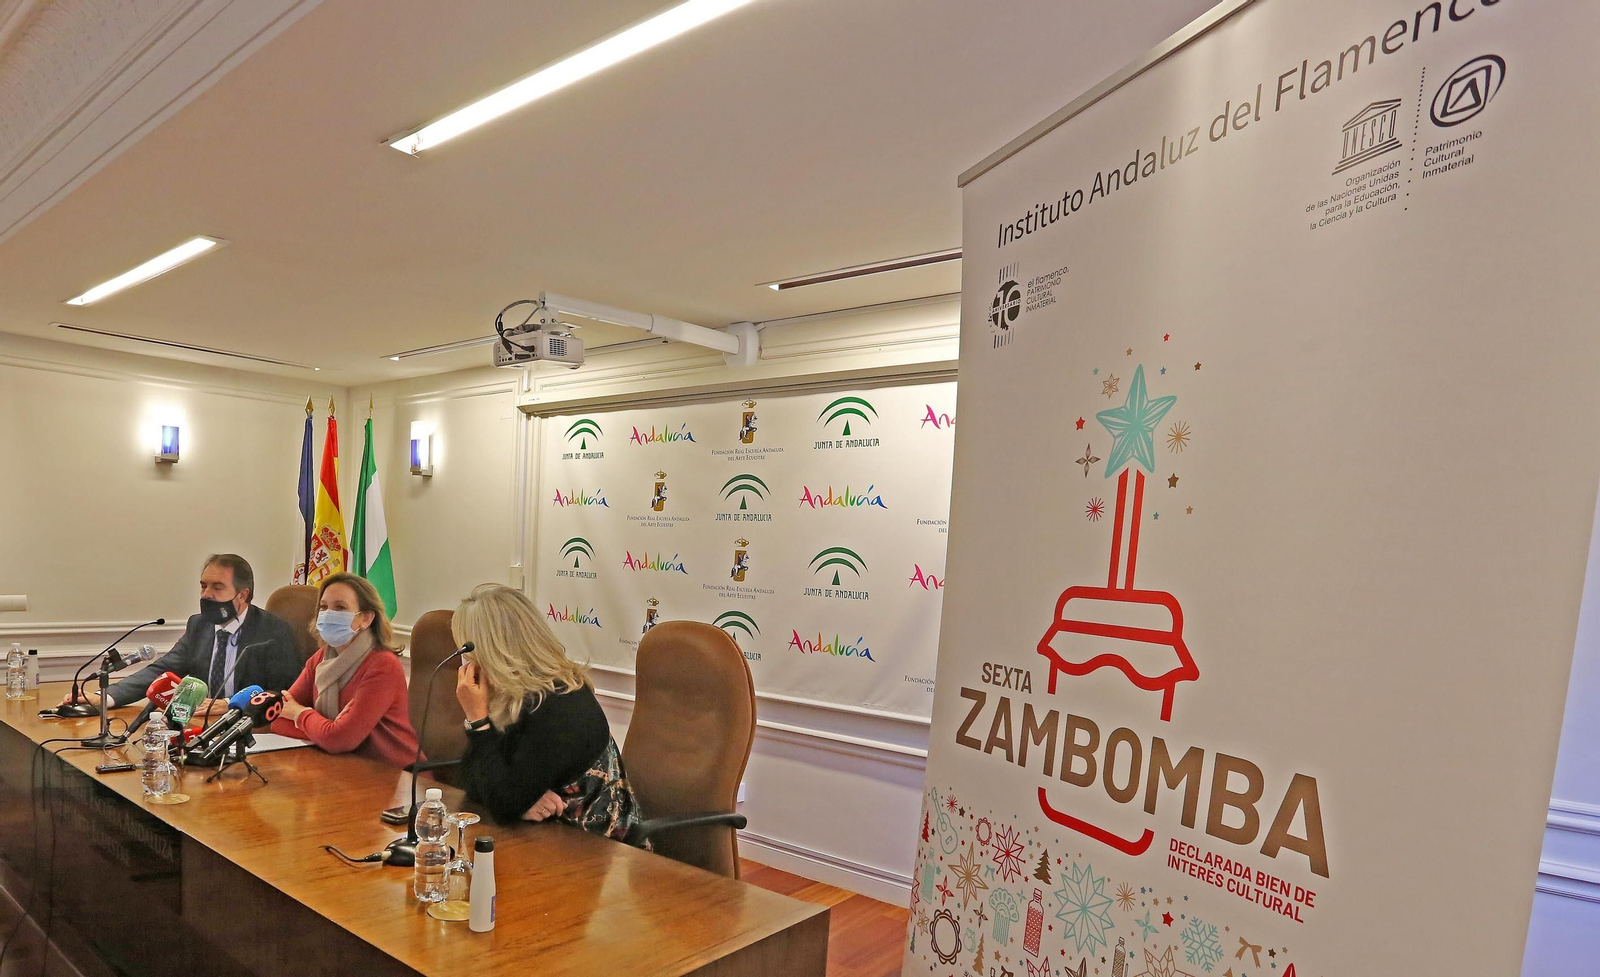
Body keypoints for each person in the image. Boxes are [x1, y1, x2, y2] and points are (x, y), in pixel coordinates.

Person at [451, 584, 644, 843]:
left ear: (492, 653)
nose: (466, 663)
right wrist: (521, 799)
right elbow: (472, 780)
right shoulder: (515, 696)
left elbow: (502, 803)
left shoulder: (560, 705)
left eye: (467, 653)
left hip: (602, 851)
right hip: (553, 839)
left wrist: (478, 721)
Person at [82, 554, 302, 714]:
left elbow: (284, 692)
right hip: (200, 724)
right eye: (203, 586)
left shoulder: (272, 631)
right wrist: (106, 697)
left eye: (217, 587)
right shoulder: (199, 625)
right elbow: (162, 670)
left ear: (242, 595)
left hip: (250, 729)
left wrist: (230, 704)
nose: (206, 595)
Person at [269, 573, 418, 768]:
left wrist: (300, 714)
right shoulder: (321, 658)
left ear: (366, 618)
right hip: (339, 765)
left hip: (393, 773)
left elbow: (340, 739)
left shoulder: (383, 665)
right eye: (323, 607)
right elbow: (278, 718)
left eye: (340, 607)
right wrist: (326, 731)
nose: (328, 614)